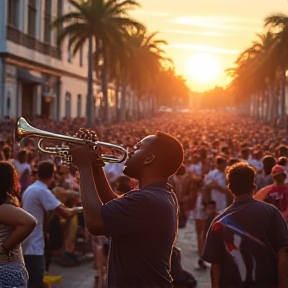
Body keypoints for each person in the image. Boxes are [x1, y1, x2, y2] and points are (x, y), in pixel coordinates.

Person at [69, 131, 184, 288]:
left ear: (149, 158)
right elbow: (114, 204)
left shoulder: (147, 200)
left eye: (138, 148)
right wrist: (95, 165)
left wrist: (83, 166)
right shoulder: (159, 194)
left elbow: (95, 222)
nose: (130, 151)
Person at [202, 162, 288, 288]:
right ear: (254, 185)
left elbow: (215, 268)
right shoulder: (271, 213)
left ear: (230, 187)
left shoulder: (219, 221)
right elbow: (283, 252)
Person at [21, 161, 82, 288]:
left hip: (28, 240)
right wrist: (80, 209)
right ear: (52, 174)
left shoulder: (31, 188)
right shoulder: (42, 191)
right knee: (36, 281)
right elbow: (64, 213)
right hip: (34, 243)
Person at [0, 161, 36, 288]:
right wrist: (5, 247)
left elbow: (30, 222)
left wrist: (5, 247)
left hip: (6, 270)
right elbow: (29, 222)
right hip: (7, 269)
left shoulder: (3, 205)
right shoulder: (4, 205)